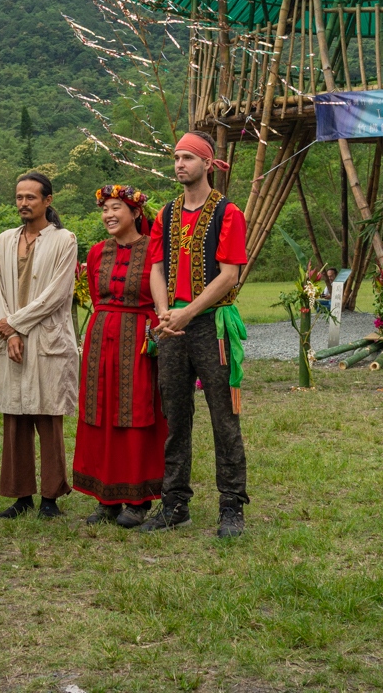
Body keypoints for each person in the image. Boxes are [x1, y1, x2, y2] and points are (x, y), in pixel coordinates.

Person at [145, 131, 251, 538]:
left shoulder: (228, 213)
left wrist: (187, 313)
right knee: (175, 416)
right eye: (176, 157)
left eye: (188, 157)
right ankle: (174, 504)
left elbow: (229, 275)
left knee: (224, 417)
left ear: (208, 163)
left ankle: (232, 505)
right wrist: (164, 313)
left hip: (211, 324)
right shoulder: (165, 214)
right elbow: (156, 268)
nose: (179, 164)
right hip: (171, 326)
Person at [71, 184, 168, 527]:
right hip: (101, 341)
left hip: (139, 341)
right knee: (101, 413)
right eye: (105, 209)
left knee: (136, 413)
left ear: (135, 212)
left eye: (116, 208)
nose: (109, 215)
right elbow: (97, 297)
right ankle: (106, 497)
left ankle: (138, 499)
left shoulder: (155, 249)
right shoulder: (98, 252)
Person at [0, 171, 80, 519]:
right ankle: (21, 496)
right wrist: (10, 332)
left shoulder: (64, 240)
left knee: (48, 416)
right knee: (15, 417)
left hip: (47, 338)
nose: (23, 203)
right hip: (12, 340)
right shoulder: (4, 241)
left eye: (30, 197)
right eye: (19, 197)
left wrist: (15, 323)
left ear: (47, 200)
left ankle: (51, 498)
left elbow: (56, 295)